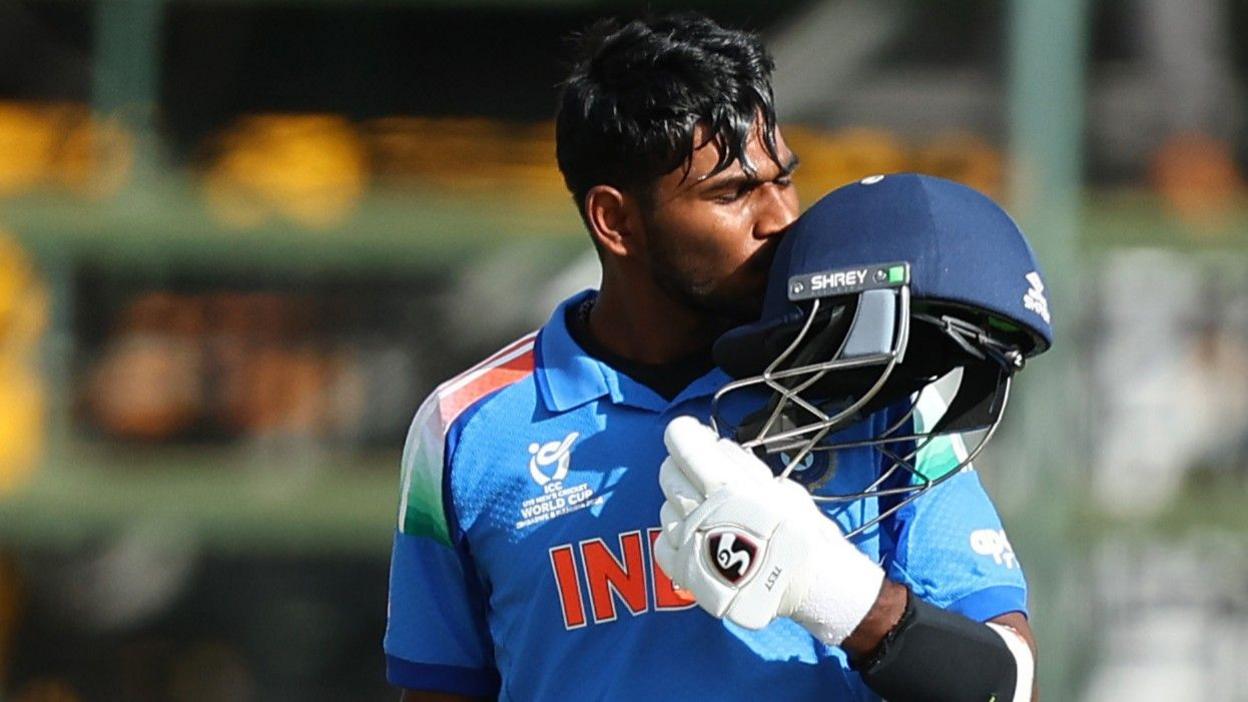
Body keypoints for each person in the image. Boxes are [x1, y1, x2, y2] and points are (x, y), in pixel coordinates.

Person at [385, 14, 1038, 701]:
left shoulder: (880, 388)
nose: (781, 217)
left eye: (782, 180)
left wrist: (832, 592)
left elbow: (1009, 685)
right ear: (617, 221)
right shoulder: (465, 429)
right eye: (731, 193)